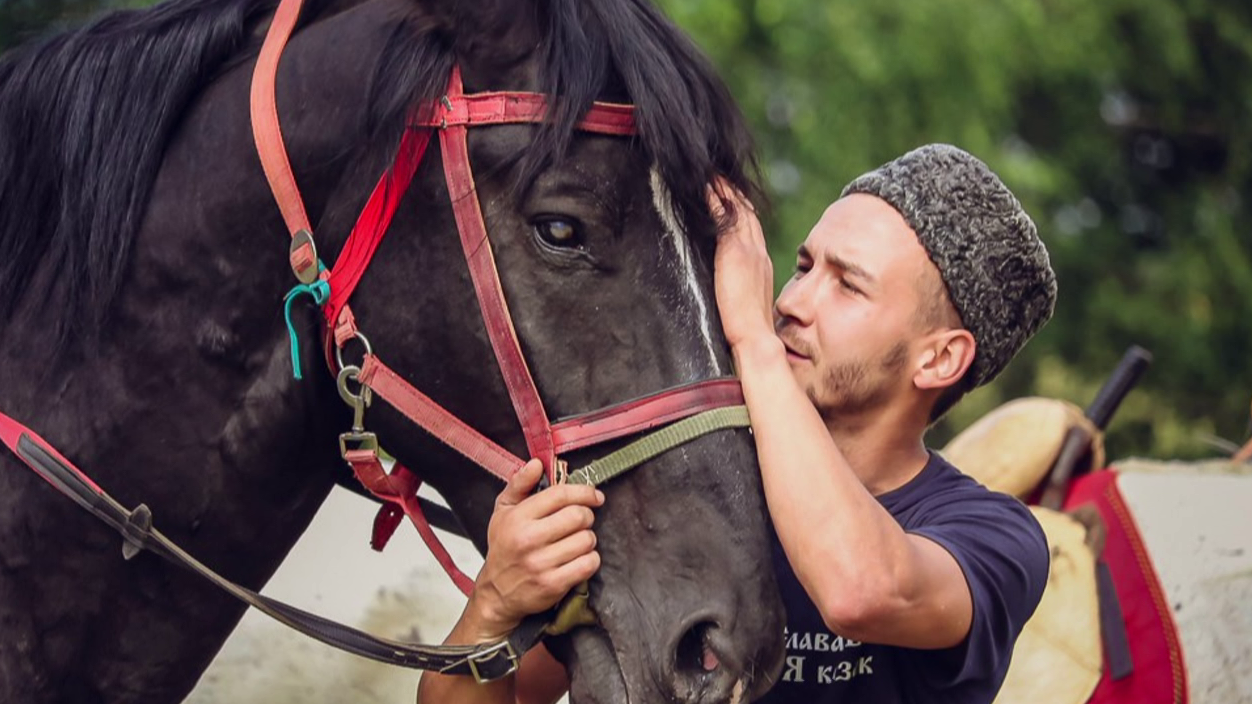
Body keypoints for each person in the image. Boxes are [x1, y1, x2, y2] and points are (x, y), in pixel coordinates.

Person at [417, 143, 1056, 704]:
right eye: (805, 266)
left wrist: (752, 340)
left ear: (939, 359)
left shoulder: (996, 538)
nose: (790, 301)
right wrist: (493, 609)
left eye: (848, 287)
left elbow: (862, 590)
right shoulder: (671, 486)